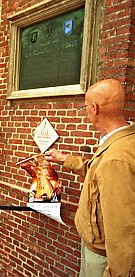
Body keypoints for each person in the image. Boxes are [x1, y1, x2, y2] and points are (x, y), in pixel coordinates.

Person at [44, 79, 135, 277]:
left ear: (94, 109)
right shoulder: (123, 140)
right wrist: (64, 159)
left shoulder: (116, 158)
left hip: (102, 257)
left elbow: (122, 230)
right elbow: (97, 173)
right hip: (98, 248)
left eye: (85, 106)